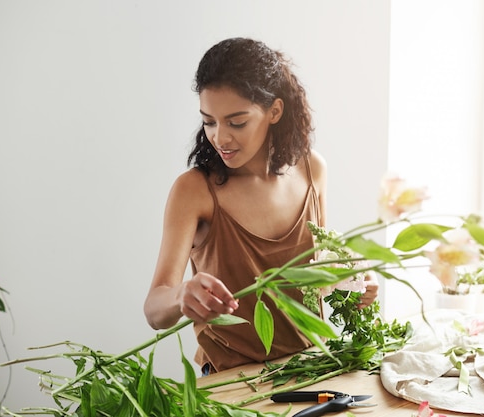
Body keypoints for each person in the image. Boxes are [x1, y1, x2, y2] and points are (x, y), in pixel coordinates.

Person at [144, 37, 378, 373]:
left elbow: (320, 274)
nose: (220, 138)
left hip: (310, 370)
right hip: (231, 383)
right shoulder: (194, 191)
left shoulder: (313, 170)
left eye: (236, 122)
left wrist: (354, 284)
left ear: (275, 111)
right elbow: (154, 310)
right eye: (209, 121)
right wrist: (181, 295)